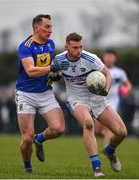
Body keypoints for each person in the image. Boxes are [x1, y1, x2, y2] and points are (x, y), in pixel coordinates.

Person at [54, 33, 127, 177]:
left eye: (81, 47)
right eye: (75, 47)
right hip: (77, 99)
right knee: (88, 124)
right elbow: (55, 75)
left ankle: (110, 151)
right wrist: (54, 77)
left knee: (122, 132)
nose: (79, 50)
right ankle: (97, 167)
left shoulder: (90, 58)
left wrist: (105, 89)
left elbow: (107, 75)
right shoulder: (59, 59)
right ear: (66, 47)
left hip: (97, 98)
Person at [15, 14, 70, 173]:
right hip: (25, 94)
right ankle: (27, 167)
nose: (50, 30)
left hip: (45, 93)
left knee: (58, 129)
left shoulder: (51, 44)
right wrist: (51, 69)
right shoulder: (26, 46)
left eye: (51, 27)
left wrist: (56, 75)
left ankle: (39, 140)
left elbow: (51, 68)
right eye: (47, 27)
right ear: (36, 27)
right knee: (26, 138)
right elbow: (31, 71)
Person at [95, 50, 132, 144]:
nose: (109, 59)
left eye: (111, 57)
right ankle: (105, 135)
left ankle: (106, 149)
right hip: (98, 100)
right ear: (103, 58)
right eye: (107, 57)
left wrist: (126, 89)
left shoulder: (120, 72)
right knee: (97, 130)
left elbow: (128, 84)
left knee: (109, 127)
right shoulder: (97, 70)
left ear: (115, 58)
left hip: (112, 101)